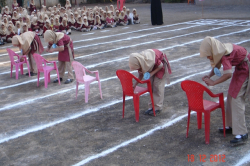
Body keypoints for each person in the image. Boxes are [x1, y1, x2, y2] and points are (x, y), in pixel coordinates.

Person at [200, 36, 250, 145]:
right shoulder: (220, 50)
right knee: (231, 96)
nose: (208, 57)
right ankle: (231, 125)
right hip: (240, 68)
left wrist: (213, 82)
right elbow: (217, 66)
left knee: (237, 99)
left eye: (208, 54)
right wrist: (209, 76)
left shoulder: (225, 55)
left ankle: (242, 132)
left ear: (213, 51)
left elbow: (228, 74)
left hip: (246, 68)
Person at [129, 49, 171, 116]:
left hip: (160, 65)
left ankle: (158, 108)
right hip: (152, 67)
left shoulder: (149, 60)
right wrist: (134, 85)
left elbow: (160, 66)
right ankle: (151, 107)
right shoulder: (140, 62)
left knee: (157, 86)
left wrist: (151, 74)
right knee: (150, 86)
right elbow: (140, 75)